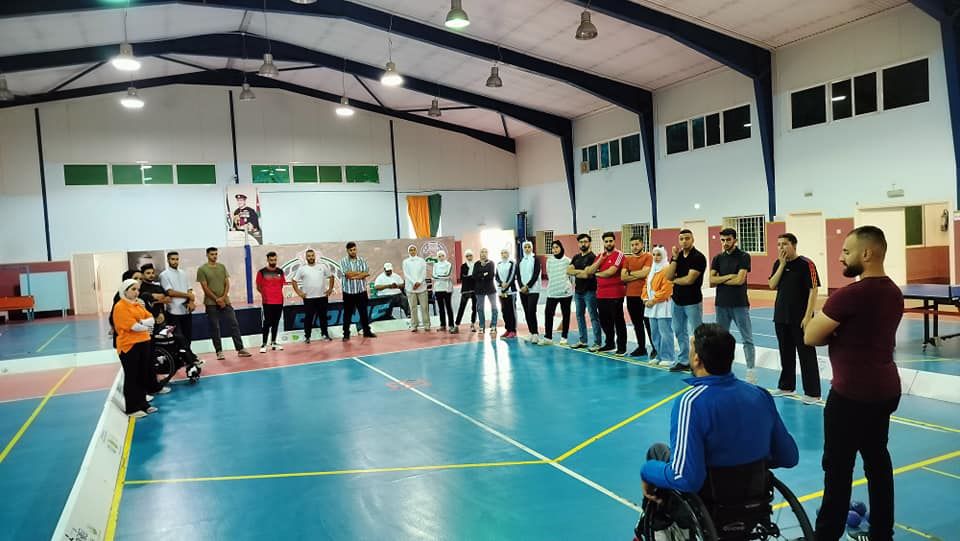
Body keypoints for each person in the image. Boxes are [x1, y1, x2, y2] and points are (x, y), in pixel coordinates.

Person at [640, 324, 798, 533]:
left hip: (712, 507)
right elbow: (789, 457)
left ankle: (655, 531)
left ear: (697, 359)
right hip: (756, 502)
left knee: (656, 453)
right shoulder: (759, 394)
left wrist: (646, 471)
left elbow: (685, 478)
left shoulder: (691, 403)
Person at [804, 226, 902, 541]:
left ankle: (826, 536)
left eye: (846, 251)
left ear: (867, 253)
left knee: (838, 470)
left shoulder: (849, 295)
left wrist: (832, 331)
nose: (840, 257)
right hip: (885, 391)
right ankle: (882, 532)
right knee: (877, 461)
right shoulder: (894, 292)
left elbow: (810, 335)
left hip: (851, 396)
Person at [768, 233, 821, 403]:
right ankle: (786, 386)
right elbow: (772, 284)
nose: (781, 247)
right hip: (781, 317)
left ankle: (813, 393)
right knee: (785, 353)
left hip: (800, 319)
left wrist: (808, 316)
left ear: (794, 245)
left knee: (806, 355)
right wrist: (782, 265)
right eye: (778, 244)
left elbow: (813, 291)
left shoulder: (807, 264)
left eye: (784, 244)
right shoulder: (778, 264)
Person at [113, 278, 168, 418]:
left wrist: (142, 323)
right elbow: (133, 326)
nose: (136, 292)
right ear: (125, 291)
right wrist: (144, 325)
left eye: (137, 289)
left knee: (143, 375)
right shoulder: (120, 306)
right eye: (133, 289)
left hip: (144, 342)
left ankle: (143, 404)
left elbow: (151, 319)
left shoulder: (137, 304)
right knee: (132, 377)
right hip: (129, 346)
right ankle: (132, 408)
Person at [709, 228, 757, 383]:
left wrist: (721, 279)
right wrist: (729, 276)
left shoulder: (743, 256)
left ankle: (750, 370)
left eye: (728, 240)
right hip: (721, 304)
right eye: (722, 240)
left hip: (739, 304)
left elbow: (739, 280)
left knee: (747, 338)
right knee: (720, 339)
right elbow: (711, 280)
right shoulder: (717, 258)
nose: (725, 243)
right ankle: (722, 369)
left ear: (735, 240)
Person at [197, 247, 251, 360]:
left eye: (216, 254)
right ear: (207, 255)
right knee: (215, 327)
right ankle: (219, 351)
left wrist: (223, 298)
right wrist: (217, 299)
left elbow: (227, 283)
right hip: (211, 303)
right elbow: (205, 288)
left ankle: (240, 349)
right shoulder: (202, 269)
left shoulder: (222, 267)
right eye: (212, 254)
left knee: (234, 323)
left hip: (225, 302)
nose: (214, 256)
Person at [665, 229, 707, 372]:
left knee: (697, 333)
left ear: (692, 239)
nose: (684, 241)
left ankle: (700, 361)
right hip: (677, 300)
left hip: (692, 301)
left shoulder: (698, 257)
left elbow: (689, 280)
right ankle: (684, 360)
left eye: (687, 238)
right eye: (681, 239)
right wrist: (674, 258)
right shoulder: (677, 257)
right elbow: (668, 276)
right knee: (679, 331)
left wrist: (675, 280)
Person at [586, 232, 627, 355]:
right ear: (603, 242)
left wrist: (596, 274)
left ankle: (622, 347)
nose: (608, 243)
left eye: (610, 241)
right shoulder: (600, 256)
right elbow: (589, 271)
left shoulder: (619, 255)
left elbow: (611, 271)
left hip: (615, 294)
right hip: (601, 294)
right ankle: (609, 343)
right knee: (604, 320)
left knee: (618, 321)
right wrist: (600, 261)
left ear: (614, 241)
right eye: (606, 241)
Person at [291, 249, 334, 344]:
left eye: (312, 255)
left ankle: (325, 334)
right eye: (309, 256)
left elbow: (331, 277)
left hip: (322, 297)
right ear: (306, 257)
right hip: (309, 298)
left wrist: (330, 289)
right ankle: (307, 337)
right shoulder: (302, 269)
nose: (311, 257)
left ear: (315, 256)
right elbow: (294, 281)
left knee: (323, 317)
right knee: (308, 318)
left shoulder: (322, 266)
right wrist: (299, 292)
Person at [568, 234, 602, 352]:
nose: (583, 244)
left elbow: (587, 275)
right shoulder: (576, 257)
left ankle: (597, 343)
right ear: (578, 244)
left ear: (589, 243)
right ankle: (583, 341)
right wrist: (580, 272)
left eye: (586, 242)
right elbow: (568, 270)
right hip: (578, 291)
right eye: (581, 242)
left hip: (590, 291)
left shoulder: (593, 257)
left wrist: (576, 272)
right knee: (579, 316)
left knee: (593, 317)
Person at [622, 236, 654, 357]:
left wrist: (630, 273)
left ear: (642, 244)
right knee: (637, 323)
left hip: (644, 295)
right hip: (630, 295)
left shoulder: (648, 257)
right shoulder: (628, 259)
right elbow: (623, 277)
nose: (634, 247)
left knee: (648, 323)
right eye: (632, 245)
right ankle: (641, 347)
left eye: (637, 244)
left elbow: (645, 273)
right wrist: (637, 274)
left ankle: (655, 347)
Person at [643, 247, 674, 367]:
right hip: (651, 306)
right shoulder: (652, 269)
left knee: (665, 333)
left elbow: (667, 289)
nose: (656, 257)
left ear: (664, 256)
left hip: (663, 306)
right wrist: (645, 298)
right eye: (654, 254)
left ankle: (668, 357)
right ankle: (658, 355)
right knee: (654, 333)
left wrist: (654, 300)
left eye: (659, 255)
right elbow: (646, 286)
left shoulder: (667, 269)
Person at [340, 241, 377, 341]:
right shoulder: (343, 261)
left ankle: (366, 332)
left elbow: (366, 273)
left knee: (364, 313)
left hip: (361, 292)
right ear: (347, 251)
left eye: (354, 249)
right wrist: (359, 274)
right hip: (348, 293)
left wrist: (355, 275)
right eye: (351, 250)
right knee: (347, 314)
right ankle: (346, 334)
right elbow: (348, 274)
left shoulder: (362, 260)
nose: (353, 252)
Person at [159, 251, 196, 346]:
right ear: (168, 260)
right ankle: (181, 355)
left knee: (188, 336)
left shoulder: (183, 273)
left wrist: (191, 302)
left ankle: (188, 355)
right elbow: (170, 292)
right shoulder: (164, 275)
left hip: (186, 310)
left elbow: (189, 289)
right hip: (173, 312)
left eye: (177, 259)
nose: (175, 261)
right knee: (178, 338)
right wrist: (188, 296)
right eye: (173, 259)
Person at [543, 240, 573, 345]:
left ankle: (564, 337)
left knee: (566, 315)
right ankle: (548, 337)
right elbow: (549, 273)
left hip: (565, 293)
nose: (555, 249)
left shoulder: (567, 261)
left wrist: (567, 287)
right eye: (553, 248)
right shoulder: (549, 261)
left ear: (561, 248)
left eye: (557, 247)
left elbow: (571, 277)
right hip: (552, 292)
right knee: (548, 314)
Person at [256, 251, 286, 353]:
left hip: (279, 301)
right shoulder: (262, 272)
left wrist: (276, 294)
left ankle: (273, 342)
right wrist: (266, 295)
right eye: (271, 260)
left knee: (276, 322)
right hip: (268, 302)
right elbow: (258, 286)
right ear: (268, 260)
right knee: (267, 322)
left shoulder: (280, 271)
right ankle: (264, 344)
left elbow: (281, 285)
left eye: (275, 260)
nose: (273, 261)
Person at [517, 241, 543, 343]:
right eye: (525, 247)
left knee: (532, 311)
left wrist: (528, 286)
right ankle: (531, 332)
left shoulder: (535, 259)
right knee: (527, 312)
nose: (527, 249)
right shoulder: (521, 260)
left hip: (533, 290)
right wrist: (521, 286)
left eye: (529, 247)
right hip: (522, 290)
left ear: (531, 248)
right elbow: (518, 275)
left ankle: (535, 333)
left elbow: (536, 274)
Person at [403, 244, 430, 332]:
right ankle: (414, 325)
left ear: (416, 250)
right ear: (408, 251)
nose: (412, 251)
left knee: (424, 307)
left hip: (422, 287)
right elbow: (406, 274)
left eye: (414, 249)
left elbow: (424, 273)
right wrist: (414, 283)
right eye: (411, 250)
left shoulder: (422, 261)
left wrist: (419, 282)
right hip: (410, 288)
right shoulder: (405, 262)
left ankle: (427, 324)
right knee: (412, 307)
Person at [473, 248, 497, 336]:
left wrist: (481, 275)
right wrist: (484, 274)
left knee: (494, 307)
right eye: (482, 252)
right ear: (480, 254)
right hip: (479, 289)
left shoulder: (491, 263)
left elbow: (491, 275)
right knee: (480, 308)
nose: (484, 254)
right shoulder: (476, 264)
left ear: (487, 253)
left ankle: (493, 325)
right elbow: (474, 276)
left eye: (485, 252)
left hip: (490, 288)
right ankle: (481, 326)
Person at [496, 247, 518, 338]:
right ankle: (508, 329)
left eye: (505, 252)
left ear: (508, 254)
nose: (504, 254)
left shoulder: (512, 263)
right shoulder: (499, 264)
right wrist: (501, 284)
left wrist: (505, 287)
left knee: (511, 311)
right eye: (502, 253)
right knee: (504, 311)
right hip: (501, 291)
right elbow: (497, 277)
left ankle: (513, 330)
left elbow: (511, 276)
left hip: (510, 291)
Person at [455, 249, 479, 332]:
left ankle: (472, 324)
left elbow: (477, 277)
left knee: (474, 308)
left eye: (470, 255)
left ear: (473, 256)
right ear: (465, 257)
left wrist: (469, 277)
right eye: (467, 256)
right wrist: (471, 276)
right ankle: (457, 325)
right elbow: (462, 277)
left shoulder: (476, 265)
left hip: (474, 290)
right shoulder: (463, 266)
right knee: (461, 307)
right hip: (465, 290)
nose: (469, 257)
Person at [432, 250, 456, 333]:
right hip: (438, 289)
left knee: (448, 307)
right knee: (441, 308)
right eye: (439, 256)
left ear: (445, 256)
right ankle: (442, 325)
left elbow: (447, 276)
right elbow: (433, 277)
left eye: (442, 255)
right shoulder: (435, 265)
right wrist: (442, 276)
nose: (441, 257)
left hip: (447, 289)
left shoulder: (448, 264)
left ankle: (451, 325)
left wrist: (439, 276)